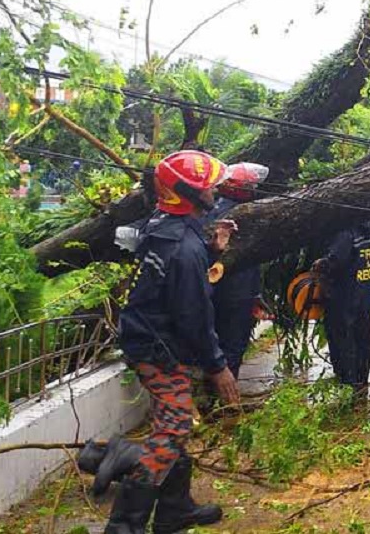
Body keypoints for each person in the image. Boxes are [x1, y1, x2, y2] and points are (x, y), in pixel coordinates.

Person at [95, 150, 240, 534]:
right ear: (191, 194)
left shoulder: (162, 223)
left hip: (151, 336)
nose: (215, 189)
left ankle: (175, 509)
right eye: (208, 185)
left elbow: (176, 268)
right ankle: (123, 525)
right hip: (156, 347)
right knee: (173, 427)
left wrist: (214, 248)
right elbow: (194, 314)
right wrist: (218, 366)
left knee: (174, 420)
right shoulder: (184, 249)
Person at [207, 162, 269, 380]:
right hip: (236, 292)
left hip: (224, 292)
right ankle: (224, 399)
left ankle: (216, 395)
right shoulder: (241, 216)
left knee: (221, 343)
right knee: (233, 344)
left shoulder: (215, 210)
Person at [314, 217, 370, 406]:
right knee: (363, 342)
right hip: (365, 299)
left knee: (343, 346)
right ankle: (361, 387)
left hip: (343, 301)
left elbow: (334, 262)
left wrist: (321, 265)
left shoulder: (346, 234)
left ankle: (347, 391)